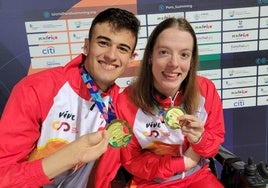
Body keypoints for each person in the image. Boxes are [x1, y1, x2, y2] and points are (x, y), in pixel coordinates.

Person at [0, 8, 140, 188]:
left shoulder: (123, 105)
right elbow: (3, 176)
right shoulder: (37, 89)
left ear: (131, 58)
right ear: (87, 46)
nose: (111, 55)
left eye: (122, 48)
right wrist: (68, 157)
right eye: (104, 43)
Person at [114, 17, 225, 187]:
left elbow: (213, 144)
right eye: (164, 52)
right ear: (151, 56)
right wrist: (182, 163)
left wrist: (200, 139)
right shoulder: (125, 101)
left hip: (198, 177)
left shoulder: (205, 89)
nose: (174, 63)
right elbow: (132, 161)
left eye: (184, 55)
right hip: (150, 182)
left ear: (191, 60)